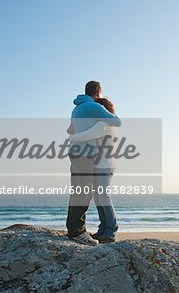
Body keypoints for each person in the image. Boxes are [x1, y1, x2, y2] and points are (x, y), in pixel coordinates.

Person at [66, 81, 121, 246]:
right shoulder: (94, 110)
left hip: (99, 161)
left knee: (97, 195)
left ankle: (107, 231)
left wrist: (73, 136)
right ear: (98, 92)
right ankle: (88, 230)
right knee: (89, 194)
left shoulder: (79, 110)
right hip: (89, 157)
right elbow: (116, 120)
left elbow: (79, 132)